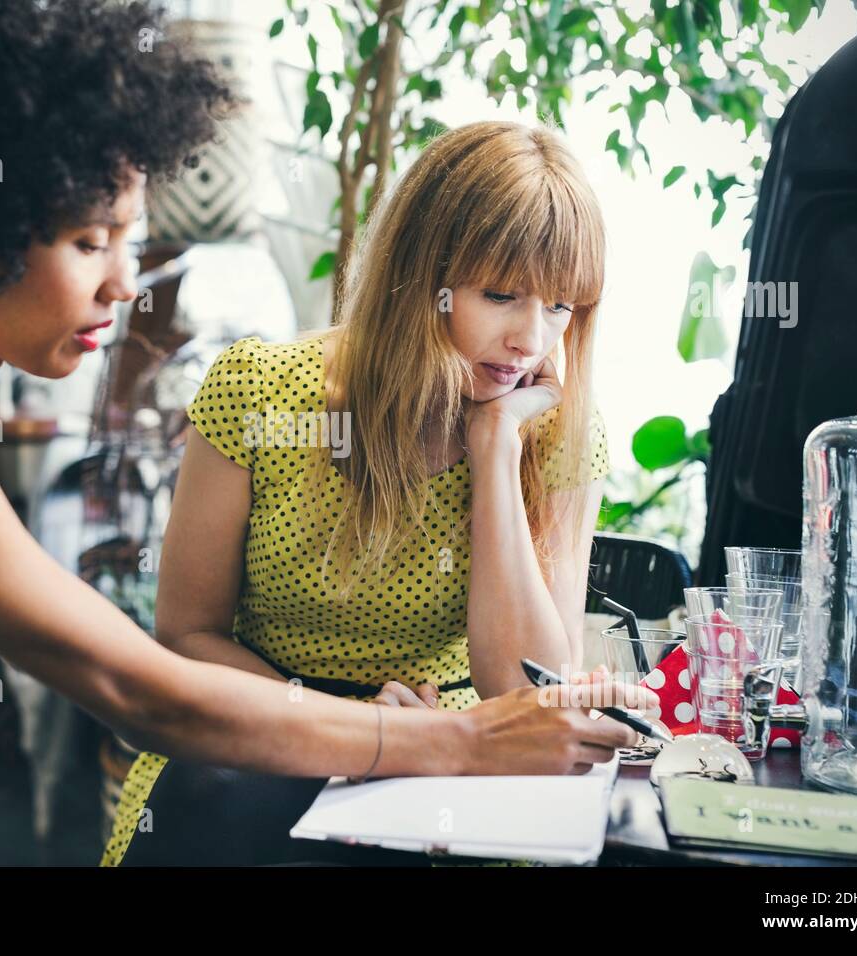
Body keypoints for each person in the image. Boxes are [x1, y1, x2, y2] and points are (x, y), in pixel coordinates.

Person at [0, 1, 650, 867]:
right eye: (91, 240)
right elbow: (142, 684)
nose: (126, 284)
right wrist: (459, 740)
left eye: (129, 238)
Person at [104, 120, 619, 866]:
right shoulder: (260, 393)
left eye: (562, 306)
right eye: (501, 294)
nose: (531, 340)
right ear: (422, 276)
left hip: (454, 761)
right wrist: (352, 731)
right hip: (262, 740)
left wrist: (496, 449)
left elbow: (521, 689)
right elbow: (187, 634)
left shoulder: (557, 427)